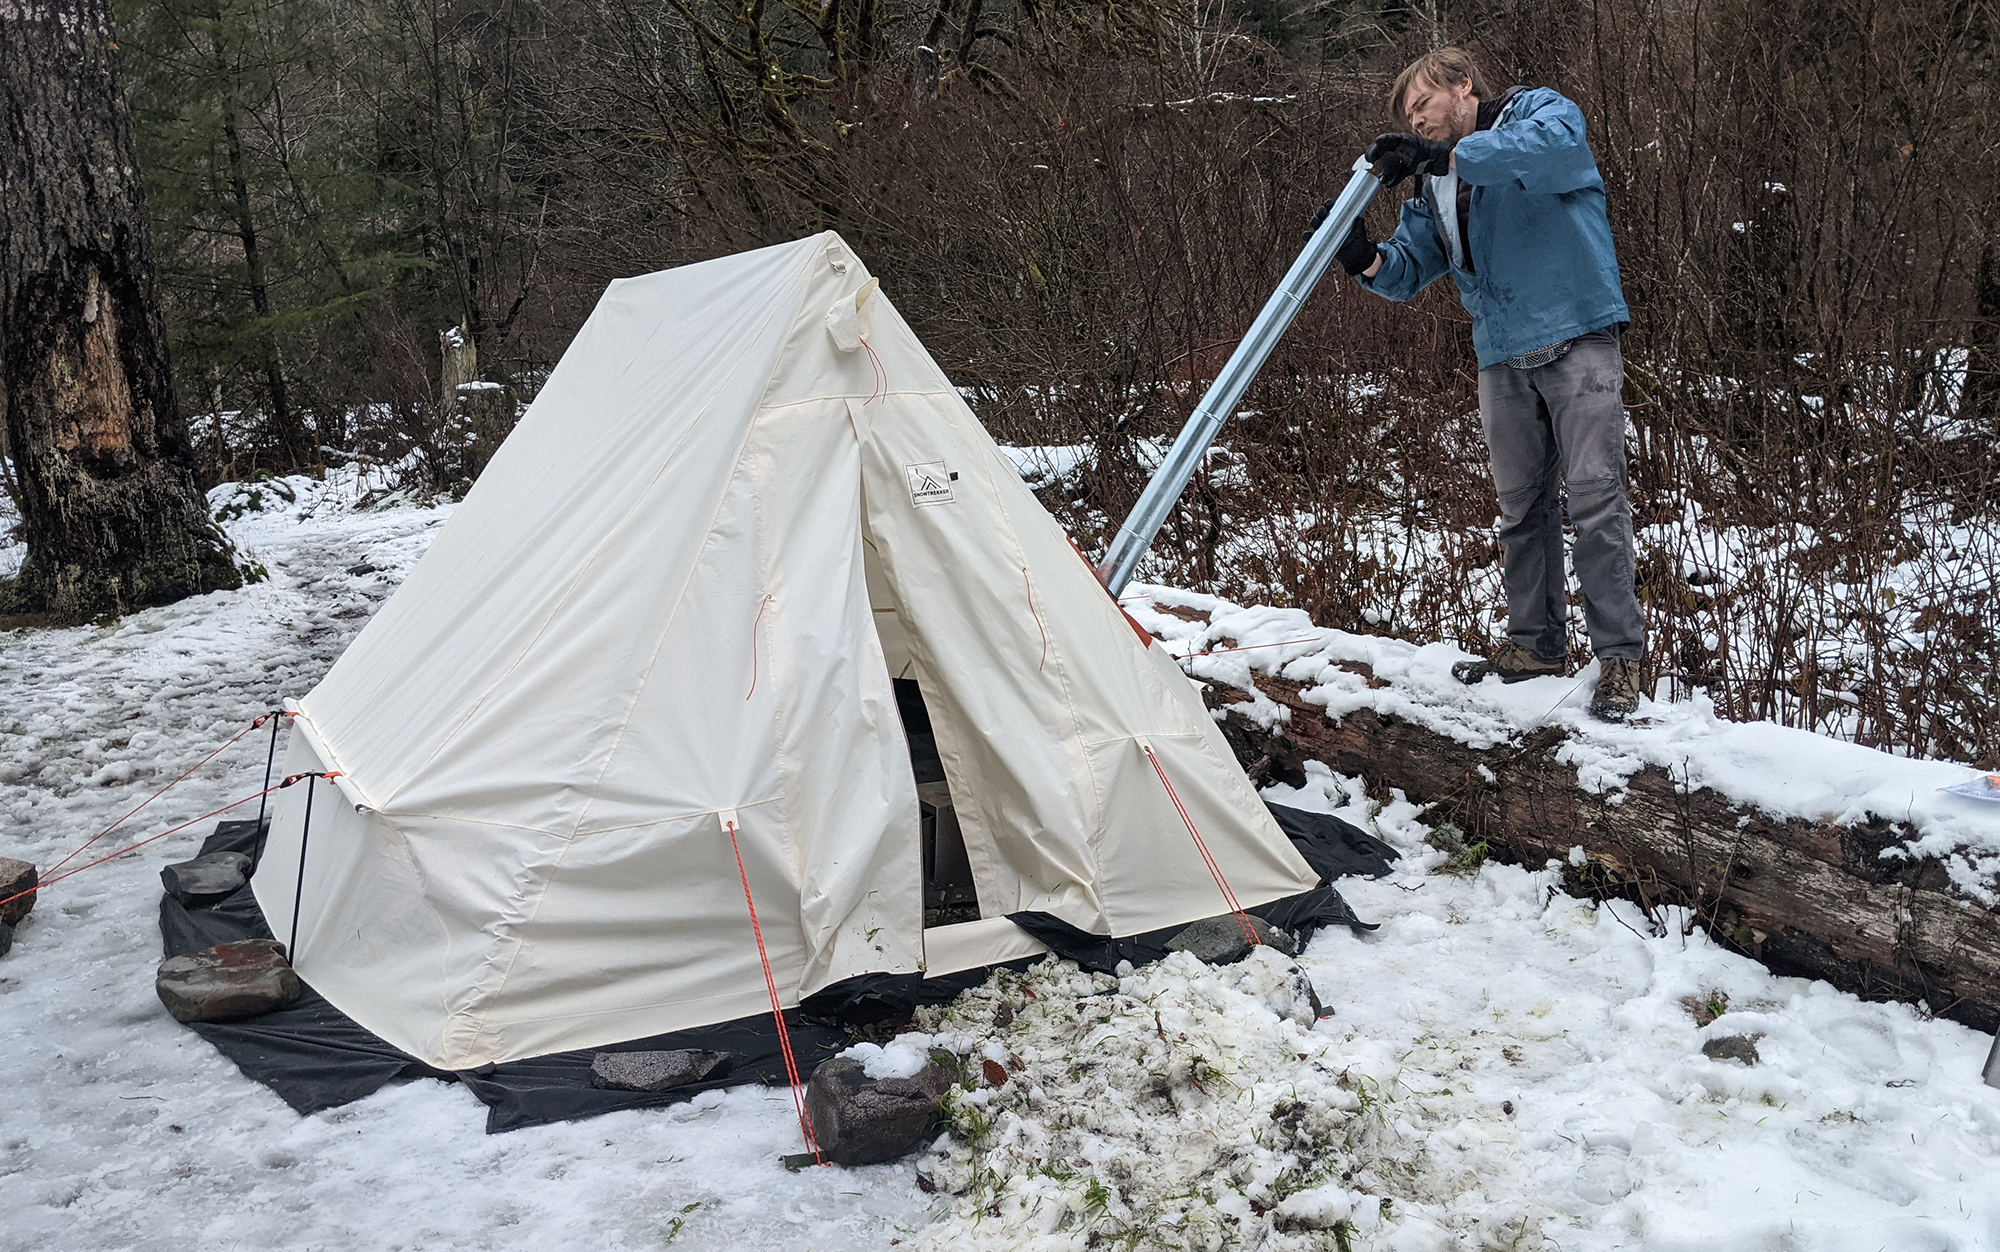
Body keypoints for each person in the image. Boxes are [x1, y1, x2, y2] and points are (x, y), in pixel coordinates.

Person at [1328, 48, 1645, 720]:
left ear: (1463, 84)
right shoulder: (1436, 179)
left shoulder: (1540, 113)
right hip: (1501, 350)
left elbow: (1545, 151)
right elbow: (1412, 265)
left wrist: (1443, 156)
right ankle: (1534, 647)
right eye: (1410, 116)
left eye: (1423, 104)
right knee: (1522, 508)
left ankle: (1618, 659)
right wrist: (1362, 257)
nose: (1419, 121)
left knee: (1594, 499)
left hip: (1576, 330)